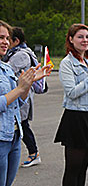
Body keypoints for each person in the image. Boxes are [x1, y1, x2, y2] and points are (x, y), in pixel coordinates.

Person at [0, 20, 50, 186]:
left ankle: (33, 153)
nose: (5, 42)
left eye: (7, 38)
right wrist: (20, 88)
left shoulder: (6, 68)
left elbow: (18, 104)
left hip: (13, 136)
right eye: (1, 37)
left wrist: (27, 85)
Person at [54, 24, 88, 186]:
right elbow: (72, 92)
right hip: (75, 117)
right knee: (73, 169)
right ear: (71, 39)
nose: (85, 40)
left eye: (87, 37)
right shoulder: (67, 63)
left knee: (83, 168)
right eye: (80, 37)